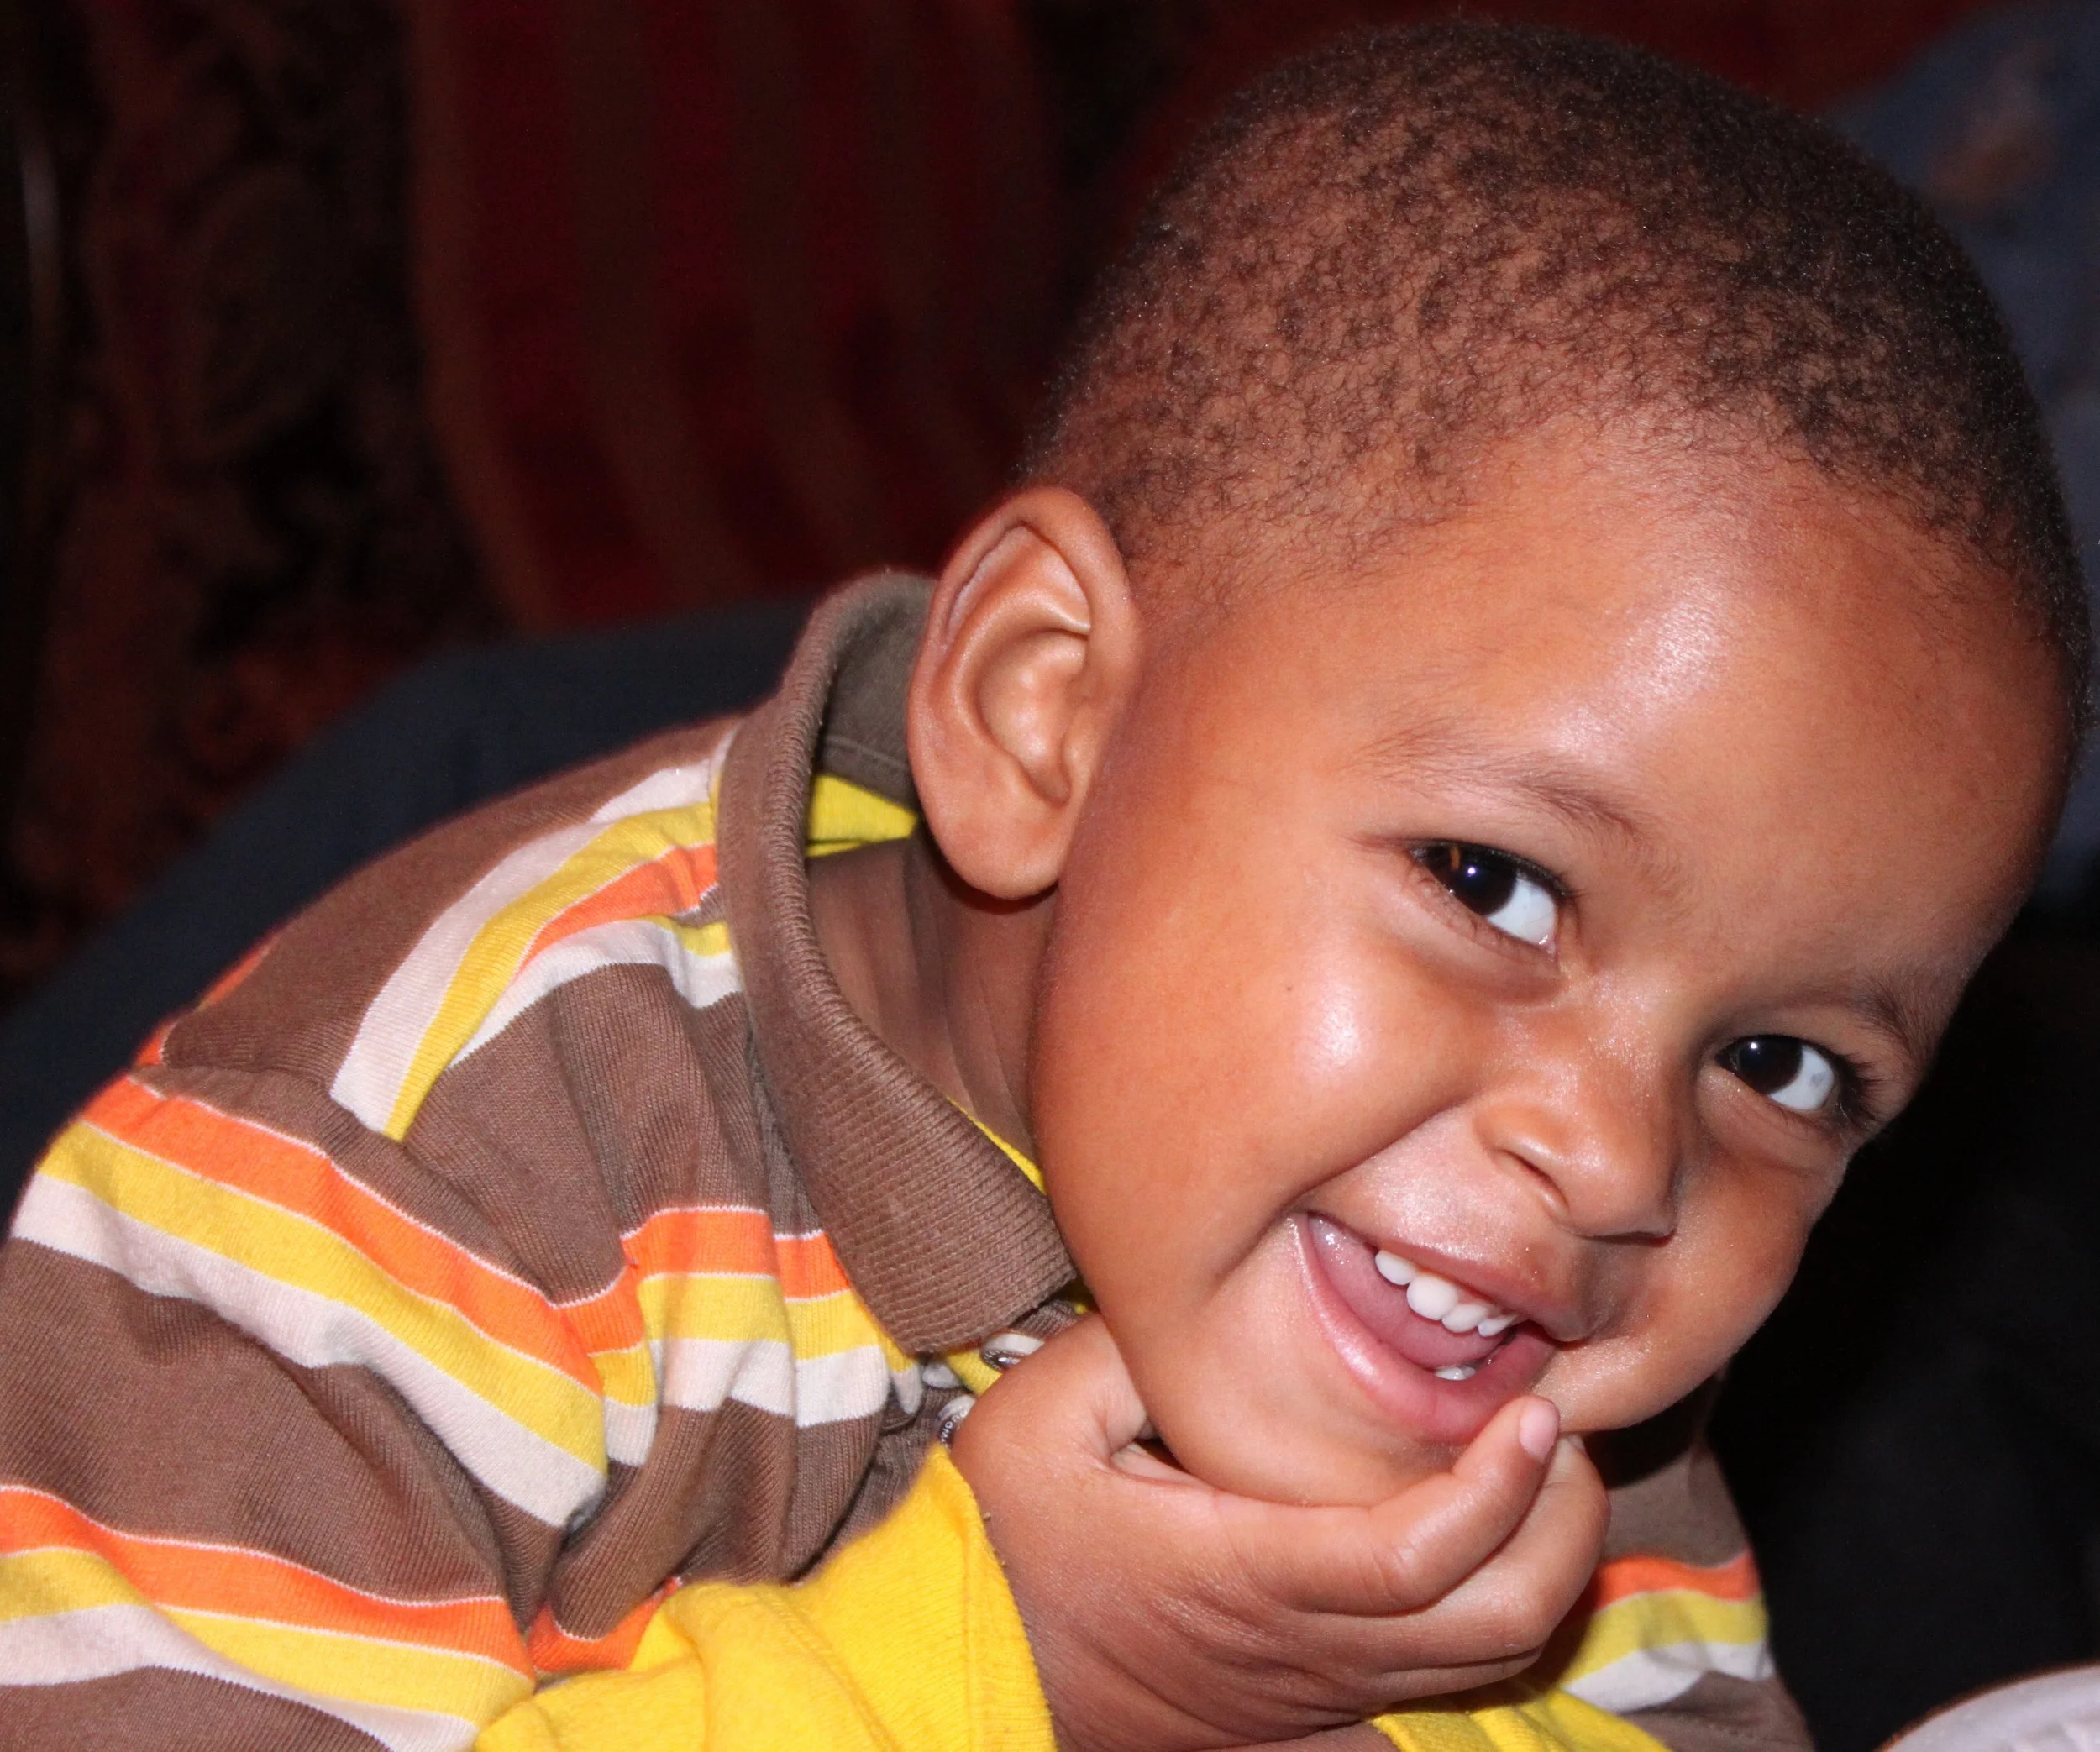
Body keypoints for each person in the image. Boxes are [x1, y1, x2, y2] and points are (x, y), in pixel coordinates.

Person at [0, 24, 2082, 1752]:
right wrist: (1014, 1671)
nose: (1622, 1155)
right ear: (1038, 717)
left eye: (1782, 1064)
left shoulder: (1534, 1390)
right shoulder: (421, 1181)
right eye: (1493, 881)